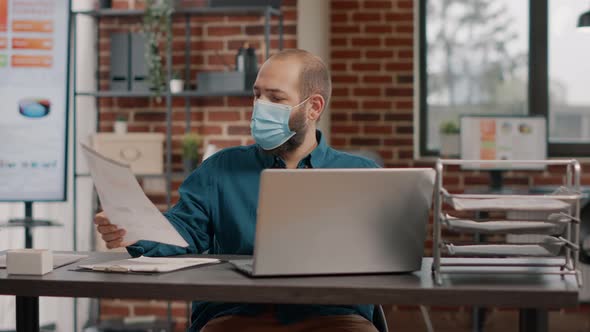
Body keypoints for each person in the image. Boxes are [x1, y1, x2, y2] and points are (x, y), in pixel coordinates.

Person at [95, 49, 380, 332]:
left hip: (333, 315)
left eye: (276, 98)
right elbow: (182, 233)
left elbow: (384, 254)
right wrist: (133, 228)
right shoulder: (219, 169)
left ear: (314, 107)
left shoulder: (363, 175)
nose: (260, 105)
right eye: (257, 95)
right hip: (238, 314)